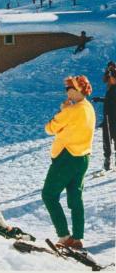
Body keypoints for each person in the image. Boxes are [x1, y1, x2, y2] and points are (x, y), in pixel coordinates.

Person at [42, 75, 95, 249]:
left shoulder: (71, 110)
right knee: (75, 198)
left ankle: (64, 237)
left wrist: (62, 110)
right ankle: (78, 237)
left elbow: (49, 128)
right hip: (83, 158)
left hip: (66, 158)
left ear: (76, 90)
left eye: (68, 88)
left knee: (49, 195)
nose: (66, 92)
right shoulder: (89, 108)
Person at [92, 61, 116, 170]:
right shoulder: (111, 87)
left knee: (111, 138)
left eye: (111, 77)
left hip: (113, 117)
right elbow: (110, 100)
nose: (109, 79)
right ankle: (107, 160)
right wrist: (100, 99)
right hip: (107, 117)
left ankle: (109, 160)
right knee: (107, 139)